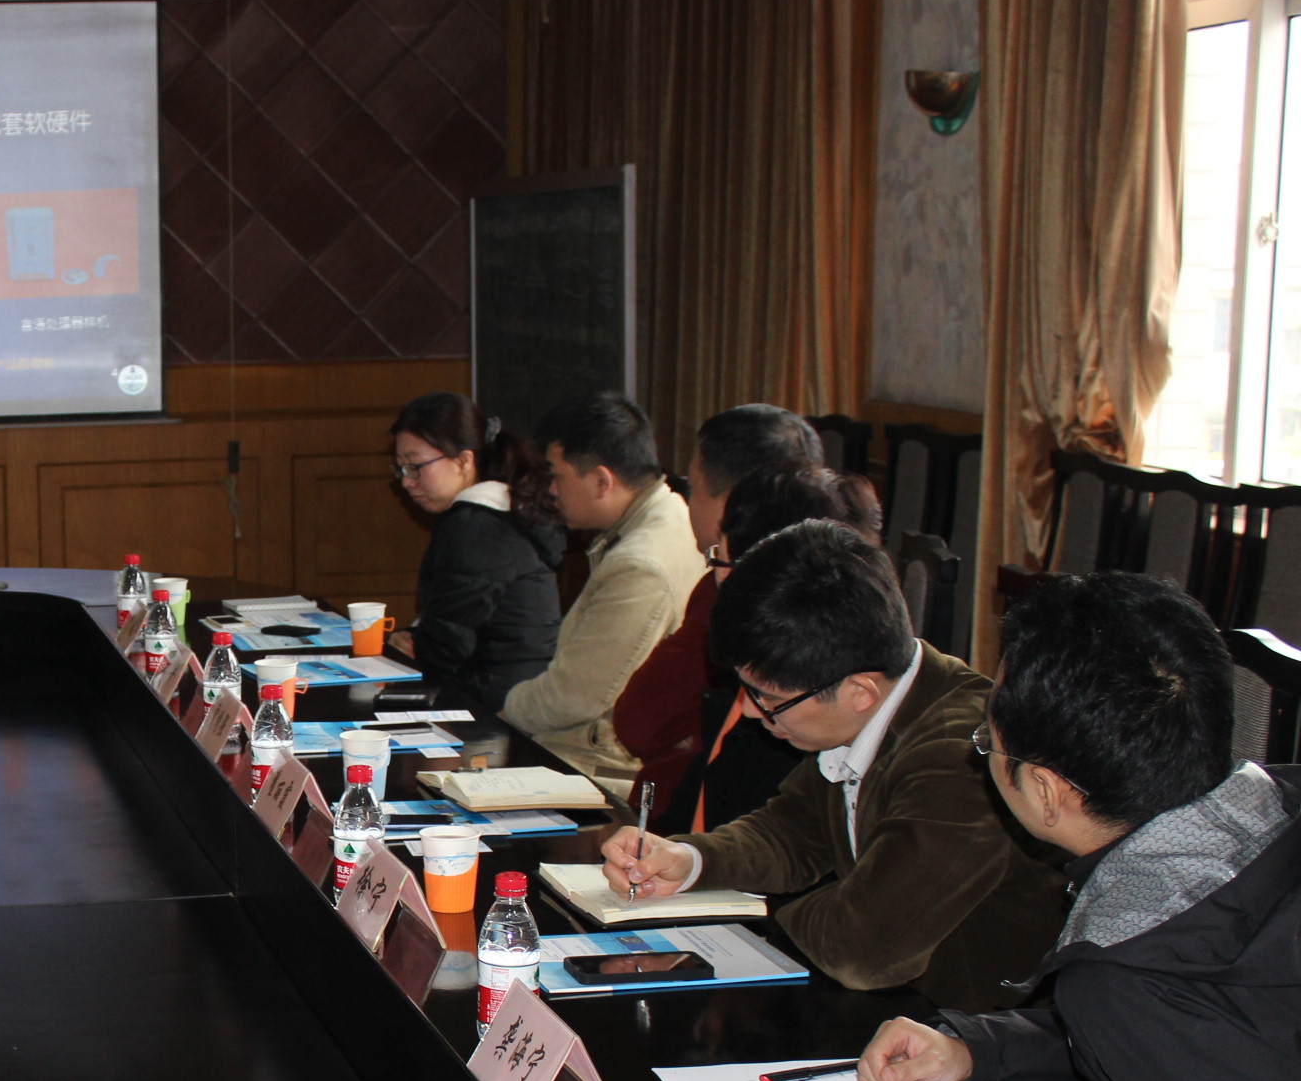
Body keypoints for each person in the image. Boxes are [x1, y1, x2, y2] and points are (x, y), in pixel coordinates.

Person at [857, 574, 1301, 1081]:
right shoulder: (1273, 812)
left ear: (1047, 791)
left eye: (988, 742)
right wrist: (984, 1050)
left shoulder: (1123, 975)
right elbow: (1208, 1030)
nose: (984, 755)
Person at [600, 519, 1066, 1009]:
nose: (752, 713)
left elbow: (864, 949)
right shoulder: (872, 707)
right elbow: (792, 833)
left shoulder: (961, 756)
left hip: (971, 1026)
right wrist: (689, 860)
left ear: (859, 692)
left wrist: (757, 914)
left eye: (768, 697)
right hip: (897, 1011)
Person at [629, 464, 885, 833]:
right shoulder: (759, 666)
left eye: (719, 560)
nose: (716, 577)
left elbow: (773, 843)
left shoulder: (808, 710)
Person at [610, 406, 826, 806]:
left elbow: (637, 724)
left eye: (693, 487)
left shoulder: (735, 591)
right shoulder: (832, 568)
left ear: (727, 506)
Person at [498, 392, 707, 791]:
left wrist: (508, 709)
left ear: (601, 481)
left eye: (557, 476)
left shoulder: (640, 564)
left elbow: (573, 697)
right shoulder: (670, 512)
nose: (552, 490)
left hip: (598, 769)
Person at [381, 391, 564, 710]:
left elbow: (446, 646)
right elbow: (454, 620)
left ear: (464, 461)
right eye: (401, 469)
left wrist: (409, 646)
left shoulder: (475, 528)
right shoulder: (497, 512)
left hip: (498, 705)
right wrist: (412, 637)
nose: (407, 482)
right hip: (509, 687)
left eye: (415, 467)